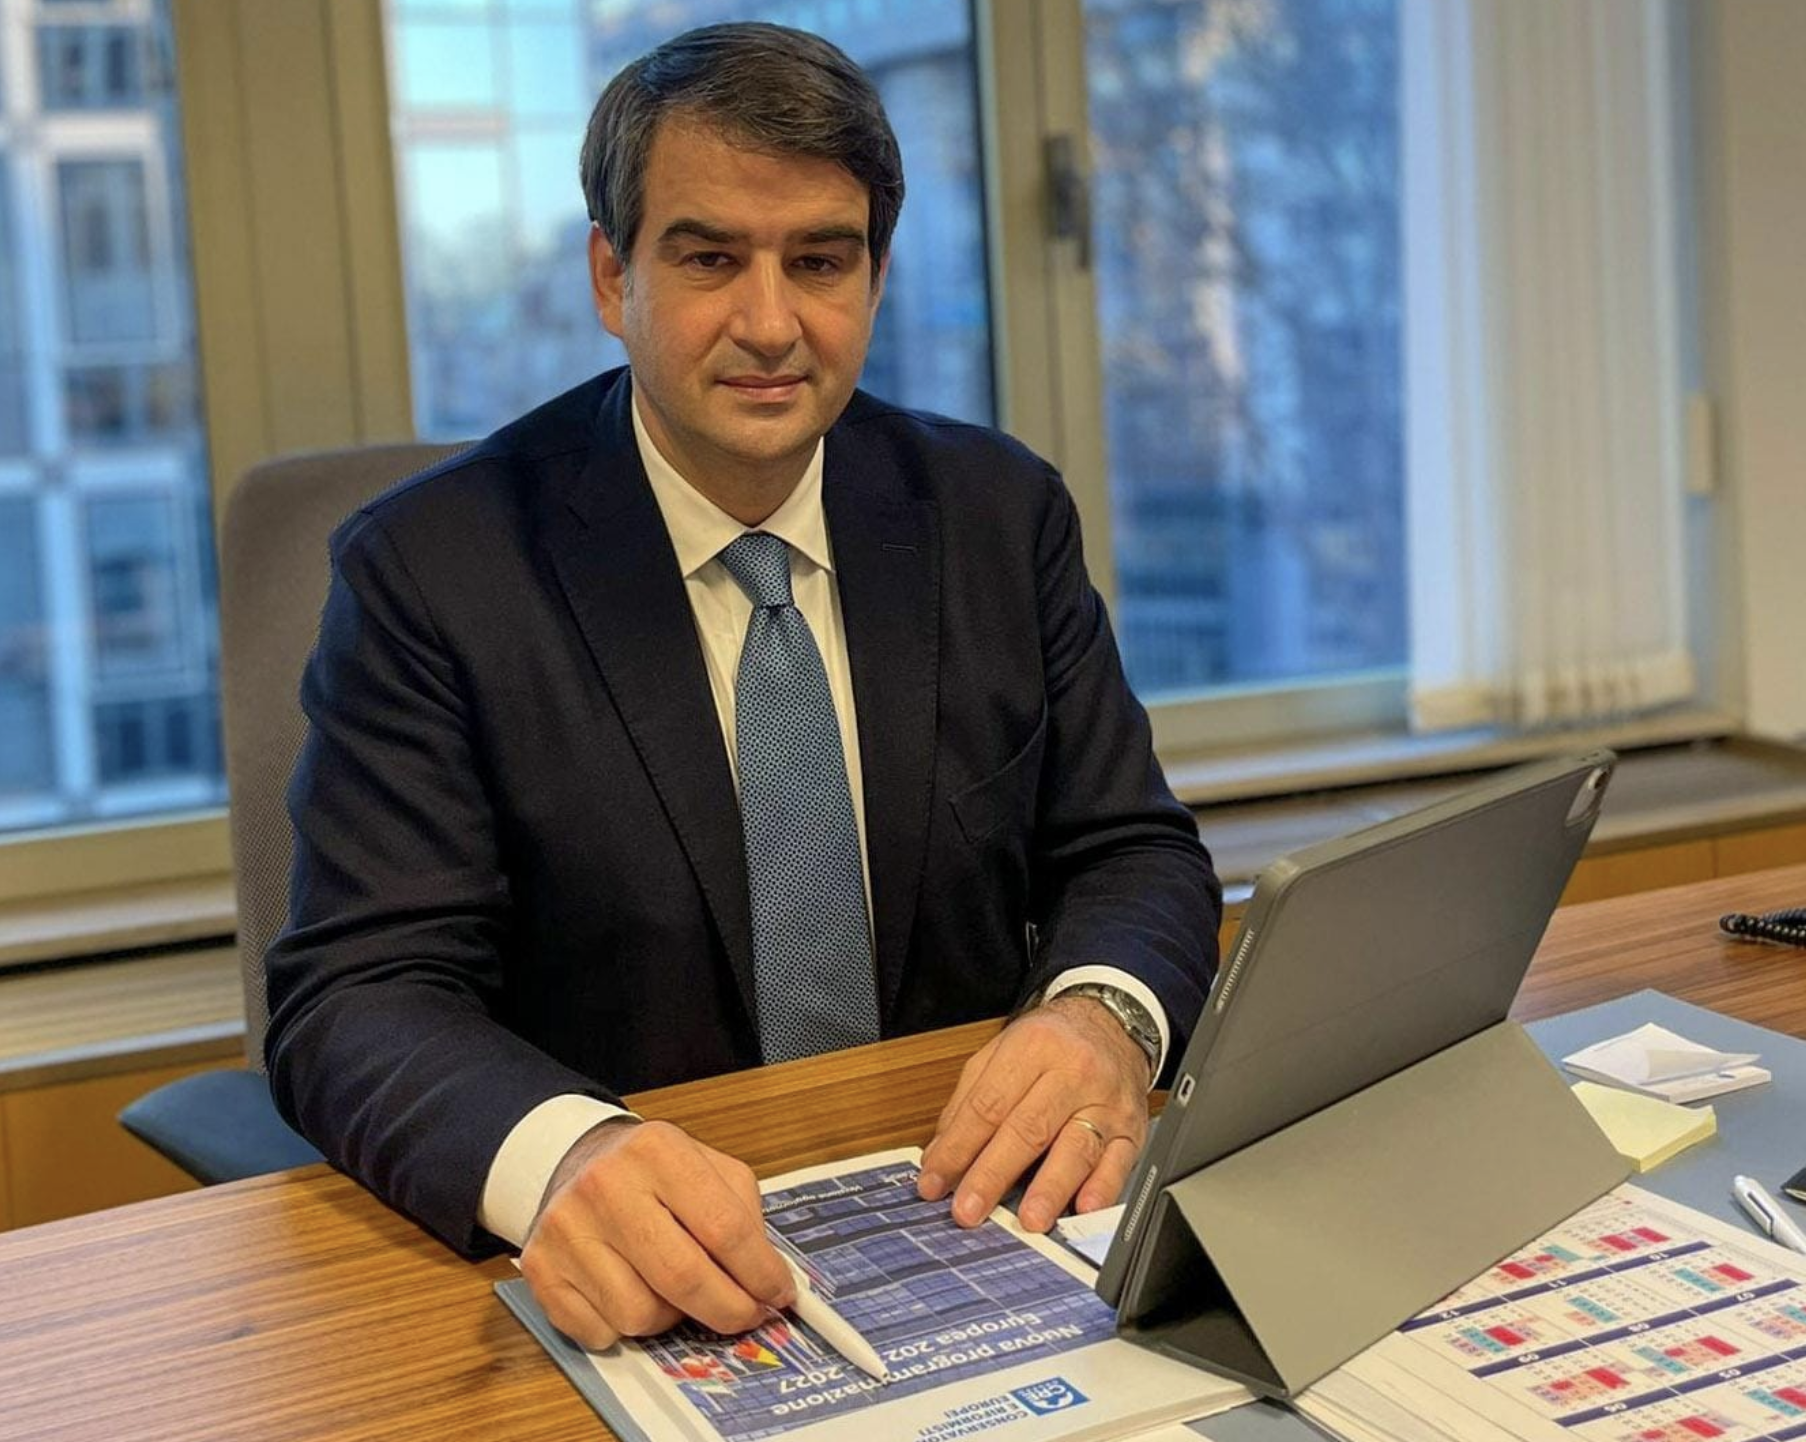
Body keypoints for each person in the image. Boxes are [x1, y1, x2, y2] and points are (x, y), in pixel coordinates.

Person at [264, 22, 1219, 1353]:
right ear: (613, 276)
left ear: (875, 278)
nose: (771, 325)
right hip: (638, 1266)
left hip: (966, 1212)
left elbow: (1128, 848)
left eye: (819, 261)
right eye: (709, 258)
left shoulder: (995, 514)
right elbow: (357, 995)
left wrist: (1099, 1015)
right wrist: (565, 1155)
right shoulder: (435, 572)